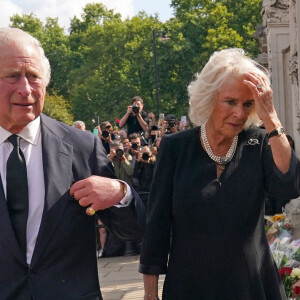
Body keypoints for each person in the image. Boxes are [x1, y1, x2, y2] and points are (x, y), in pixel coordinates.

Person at [139, 48, 300, 300]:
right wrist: (150, 294)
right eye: (231, 102)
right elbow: (156, 226)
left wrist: (270, 117)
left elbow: (289, 185)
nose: (240, 113)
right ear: (209, 98)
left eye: (248, 104)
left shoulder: (258, 144)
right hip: (189, 287)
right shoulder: (176, 148)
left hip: (253, 286)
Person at [0, 27, 145, 299]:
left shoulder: (82, 147)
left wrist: (121, 194)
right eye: (12, 76)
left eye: (33, 76)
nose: (25, 88)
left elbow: (132, 230)